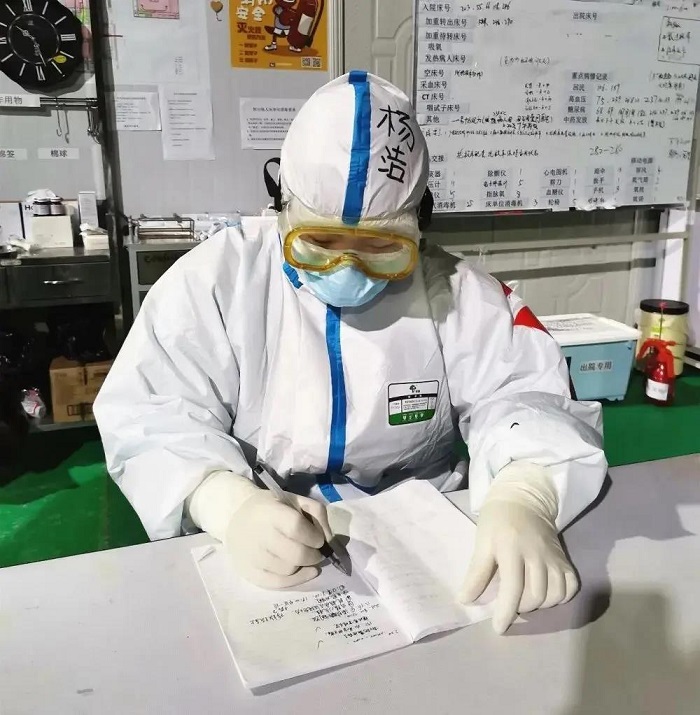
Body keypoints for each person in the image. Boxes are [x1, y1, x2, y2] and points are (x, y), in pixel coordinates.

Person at [94, 72, 607, 635]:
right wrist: (225, 502)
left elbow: (525, 392)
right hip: (275, 532)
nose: (347, 269)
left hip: (430, 541)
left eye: (381, 249)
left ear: (418, 226)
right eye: (319, 244)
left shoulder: (460, 295)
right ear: (282, 207)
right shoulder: (218, 282)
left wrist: (524, 491)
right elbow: (152, 410)